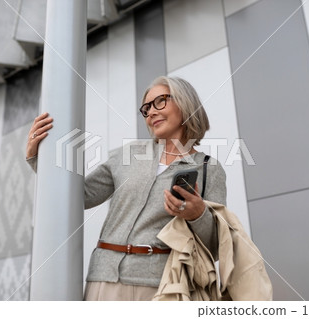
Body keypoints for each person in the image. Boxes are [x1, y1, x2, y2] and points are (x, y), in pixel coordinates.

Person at [26, 76, 227, 300]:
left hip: (163, 286)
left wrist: (197, 214)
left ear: (185, 103)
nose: (151, 112)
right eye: (146, 108)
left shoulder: (210, 169)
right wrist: (39, 158)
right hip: (105, 281)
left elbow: (216, 247)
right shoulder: (126, 155)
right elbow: (79, 196)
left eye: (160, 101)